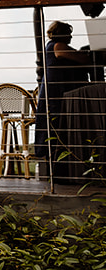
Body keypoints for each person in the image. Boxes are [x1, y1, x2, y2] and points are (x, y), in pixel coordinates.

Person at [35, 20, 100, 176]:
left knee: (54, 127)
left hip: (52, 90)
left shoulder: (50, 46)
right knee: (57, 127)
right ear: (62, 34)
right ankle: (60, 170)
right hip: (55, 93)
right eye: (69, 34)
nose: (71, 37)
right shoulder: (57, 46)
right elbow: (83, 59)